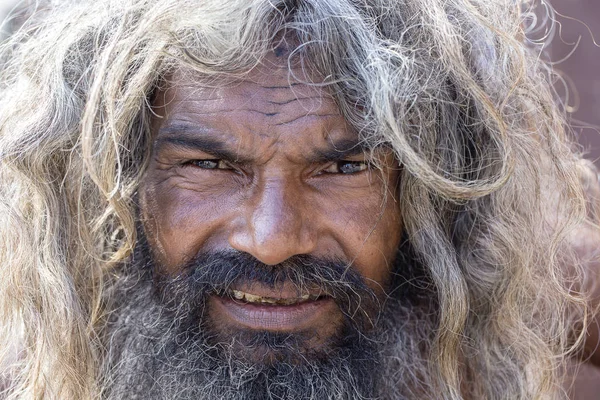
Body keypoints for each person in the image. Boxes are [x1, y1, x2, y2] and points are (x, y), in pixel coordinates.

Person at [0, 0, 599, 398]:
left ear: (429, 193)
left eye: (342, 168)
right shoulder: (32, 351)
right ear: (115, 181)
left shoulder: (512, 306)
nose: (273, 239)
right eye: (209, 165)